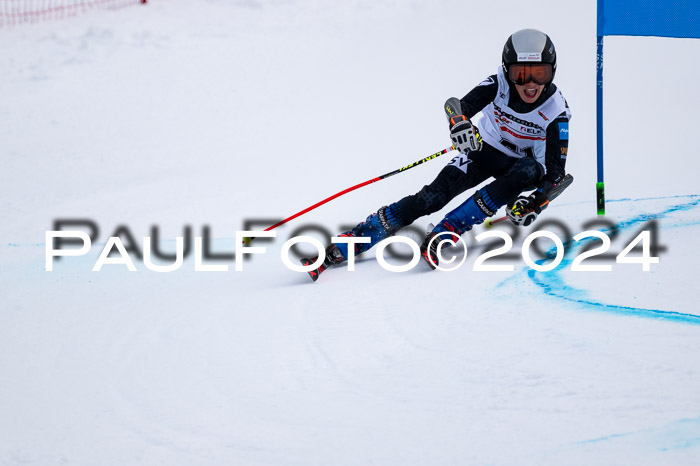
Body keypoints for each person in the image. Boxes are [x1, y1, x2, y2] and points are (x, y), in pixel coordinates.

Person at [304, 28, 571, 279]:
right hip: (482, 151)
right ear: (507, 71)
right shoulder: (498, 84)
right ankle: (354, 240)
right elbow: (457, 105)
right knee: (430, 198)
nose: (531, 84)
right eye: (521, 75)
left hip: (519, 170)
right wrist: (459, 124)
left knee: (530, 170)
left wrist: (536, 201)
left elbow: (556, 174)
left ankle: (449, 229)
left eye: (541, 74)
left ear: (553, 72)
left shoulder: (556, 111)